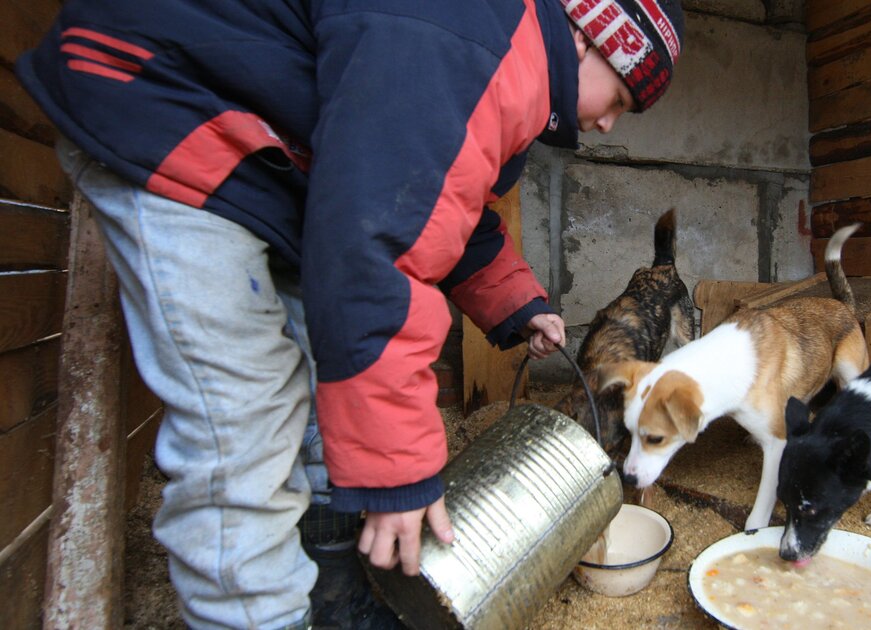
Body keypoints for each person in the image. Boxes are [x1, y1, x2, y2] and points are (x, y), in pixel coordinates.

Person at [17, 0, 684, 628]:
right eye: (620, 99)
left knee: (319, 400)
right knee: (242, 421)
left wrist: (517, 303)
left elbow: (432, 206)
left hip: (275, 170)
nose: (605, 124)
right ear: (586, 37)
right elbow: (377, 243)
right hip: (165, 106)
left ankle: (329, 597)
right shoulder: (469, 45)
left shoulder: (496, 61)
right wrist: (399, 470)